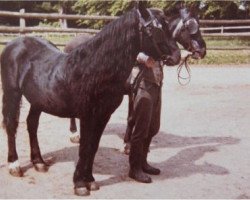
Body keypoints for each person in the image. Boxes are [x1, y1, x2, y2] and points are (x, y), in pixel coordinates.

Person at [128, 52, 164, 183]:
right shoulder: (139, 31)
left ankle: (143, 162)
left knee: (153, 127)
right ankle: (134, 168)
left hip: (157, 84)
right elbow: (132, 48)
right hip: (143, 84)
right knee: (141, 128)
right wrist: (144, 58)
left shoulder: (159, 33)